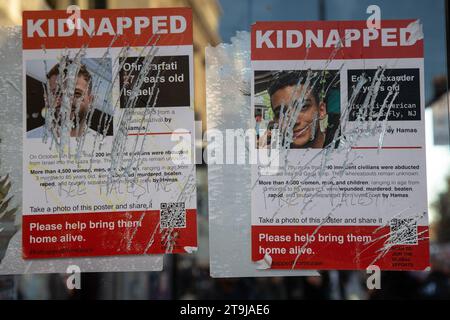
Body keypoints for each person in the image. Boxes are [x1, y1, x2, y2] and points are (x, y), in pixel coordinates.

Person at [27, 60, 94, 138]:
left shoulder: (103, 143)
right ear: (47, 99)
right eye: (57, 93)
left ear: (91, 101)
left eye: (76, 93)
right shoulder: (29, 138)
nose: (66, 101)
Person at [267, 71, 331, 149]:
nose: (293, 122)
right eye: (280, 113)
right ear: (276, 121)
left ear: (321, 110)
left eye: (302, 107)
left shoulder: (341, 147)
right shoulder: (273, 157)